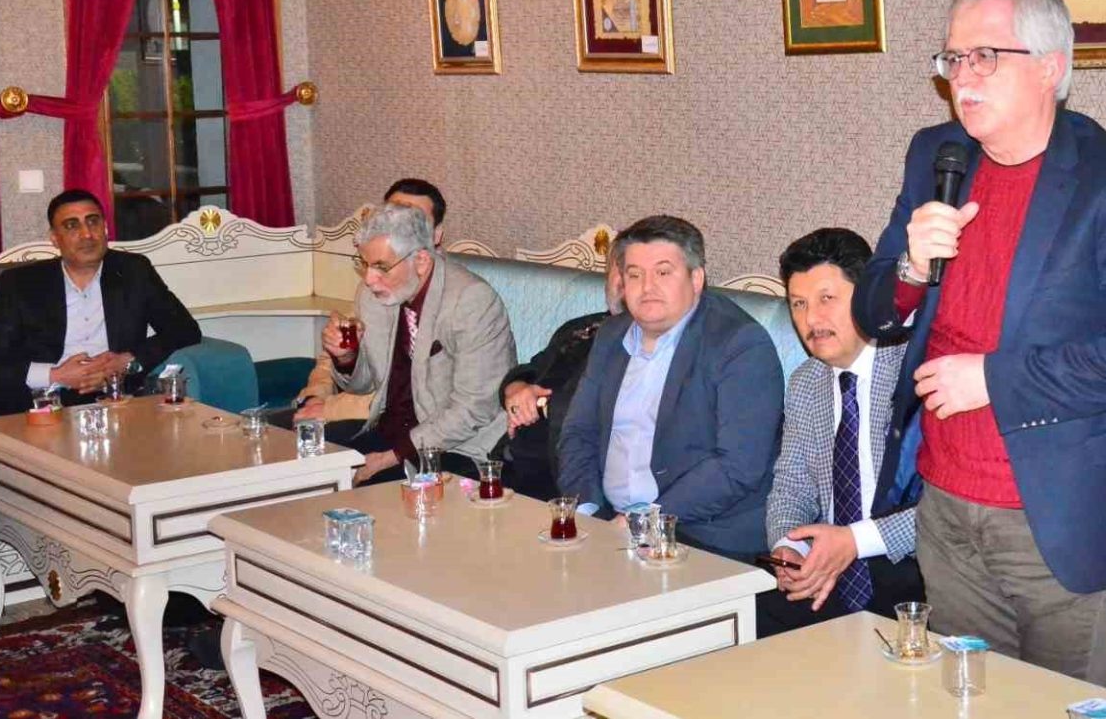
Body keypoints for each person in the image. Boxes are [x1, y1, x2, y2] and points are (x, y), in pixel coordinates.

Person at [851, 0, 1106, 684]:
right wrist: (911, 265)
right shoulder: (935, 155)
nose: (961, 79)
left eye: (984, 57)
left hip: (1057, 512)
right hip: (944, 501)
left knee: (1057, 703)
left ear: (1050, 67)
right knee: (971, 698)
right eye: (952, 58)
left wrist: (993, 379)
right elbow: (872, 311)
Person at [558, 215, 783, 559]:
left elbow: (737, 467)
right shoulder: (612, 335)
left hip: (700, 533)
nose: (647, 287)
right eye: (635, 275)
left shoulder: (739, 344)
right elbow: (578, 431)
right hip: (609, 523)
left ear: (696, 278)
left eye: (663, 273)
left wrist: (642, 521)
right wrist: (588, 512)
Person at [756, 228, 923, 637]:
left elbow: (944, 510)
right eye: (798, 303)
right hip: (827, 564)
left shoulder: (915, 372)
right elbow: (791, 485)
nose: (811, 319)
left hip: (910, 563)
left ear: (868, 297)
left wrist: (854, 541)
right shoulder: (807, 382)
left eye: (826, 299)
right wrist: (789, 548)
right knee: (741, 622)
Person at [0, 189, 202, 426]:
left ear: (105, 229)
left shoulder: (133, 270)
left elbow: (184, 328)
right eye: (71, 226)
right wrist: (56, 375)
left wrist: (127, 362)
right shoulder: (22, 284)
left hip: (112, 399)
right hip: (42, 402)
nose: (87, 234)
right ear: (54, 238)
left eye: (93, 222)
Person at [322, 203, 516, 485]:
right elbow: (366, 384)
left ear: (422, 261)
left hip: (456, 447)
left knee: (373, 486)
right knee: (314, 457)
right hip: (391, 431)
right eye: (364, 264)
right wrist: (346, 358)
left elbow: (474, 409)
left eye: (381, 267)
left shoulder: (471, 301)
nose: (369, 279)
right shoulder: (373, 295)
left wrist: (390, 457)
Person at [290, 178, 449, 441]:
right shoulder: (375, 281)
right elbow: (340, 349)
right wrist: (316, 394)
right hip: (354, 405)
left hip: (408, 425)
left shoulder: (453, 294)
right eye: (390, 217)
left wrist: (330, 409)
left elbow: (412, 392)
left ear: (436, 236)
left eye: (413, 222)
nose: (398, 227)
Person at [495, 255, 624, 500]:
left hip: (563, 479)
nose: (625, 281)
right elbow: (532, 368)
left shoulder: (639, 343)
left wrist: (539, 404)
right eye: (619, 268)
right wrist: (516, 389)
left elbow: (602, 408)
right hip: (510, 464)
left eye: (634, 272)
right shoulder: (580, 326)